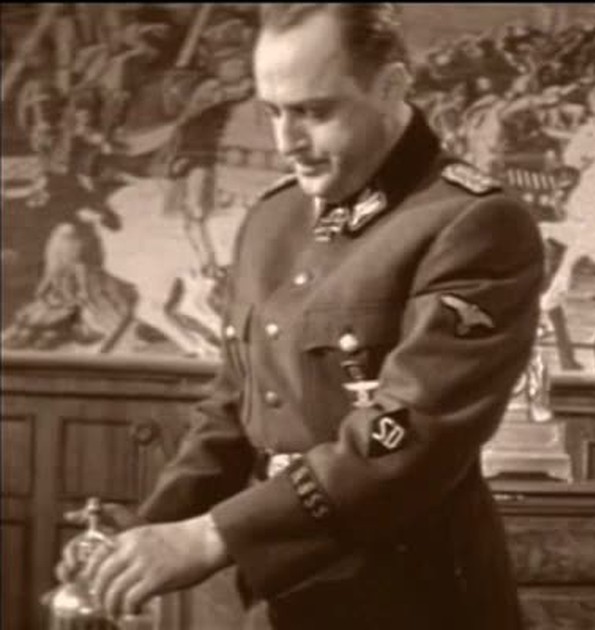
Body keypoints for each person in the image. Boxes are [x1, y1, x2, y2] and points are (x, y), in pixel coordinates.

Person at [58, 4, 544, 629]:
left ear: (391, 87)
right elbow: (232, 409)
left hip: (414, 603)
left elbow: (412, 434)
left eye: (314, 111)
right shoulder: (272, 219)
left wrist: (210, 535)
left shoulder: (471, 222)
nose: (286, 142)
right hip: (283, 599)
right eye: (273, 112)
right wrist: (143, 535)